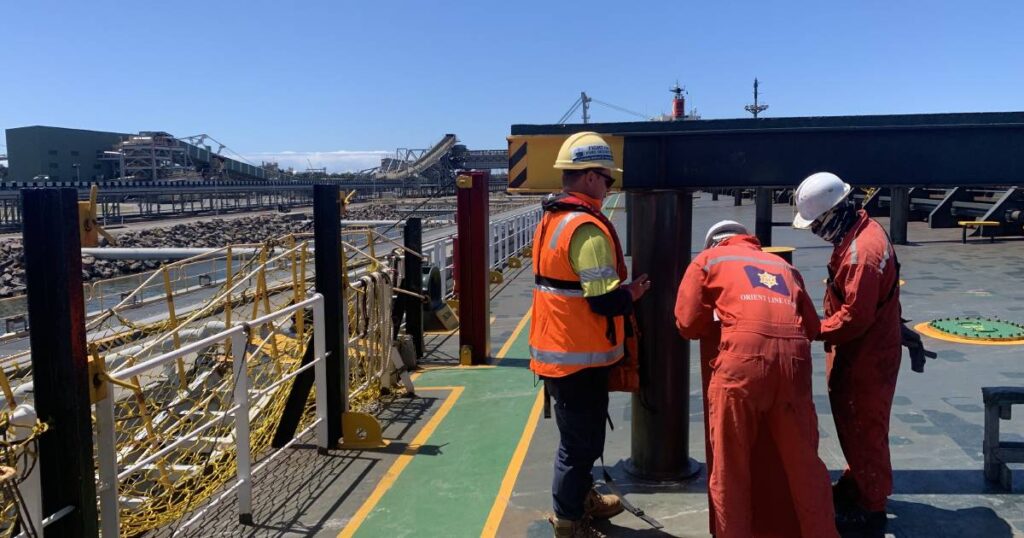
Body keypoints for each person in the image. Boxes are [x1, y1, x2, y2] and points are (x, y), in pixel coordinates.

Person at [675, 220, 838, 538]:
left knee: (730, 469)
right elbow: (813, 327)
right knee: (805, 465)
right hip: (794, 364)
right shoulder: (781, 265)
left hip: (741, 364)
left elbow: (687, 324)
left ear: (715, 243)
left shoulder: (708, 260)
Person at [529, 132, 650, 537]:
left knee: (580, 438)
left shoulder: (551, 219)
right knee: (578, 446)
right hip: (578, 356)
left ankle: (583, 498)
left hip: (560, 350)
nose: (609, 186)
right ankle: (569, 521)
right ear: (590, 178)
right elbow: (603, 301)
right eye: (607, 178)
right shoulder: (587, 230)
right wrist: (631, 294)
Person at [792, 171, 904, 534]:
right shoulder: (864, 233)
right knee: (860, 425)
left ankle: (871, 507)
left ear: (834, 213)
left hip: (865, 354)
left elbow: (855, 318)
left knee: (864, 427)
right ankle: (860, 482)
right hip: (871, 346)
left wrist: (809, 330)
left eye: (816, 224)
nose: (814, 232)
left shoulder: (860, 255)